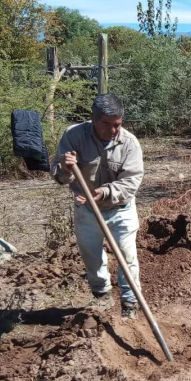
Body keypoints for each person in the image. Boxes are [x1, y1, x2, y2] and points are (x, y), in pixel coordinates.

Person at [51, 94, 144, 319]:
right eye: (106, 124)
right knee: (91, 255)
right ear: (92, 118)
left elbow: (132, 181)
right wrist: (64, 168)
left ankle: (130, 303)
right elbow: (59, 176)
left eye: (117, 124)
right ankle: (102, 295)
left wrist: (103, 192)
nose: (113, 130)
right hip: (87, 209)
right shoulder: (73, 136)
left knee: (127, 255)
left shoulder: (129, 143)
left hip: (120, 208)